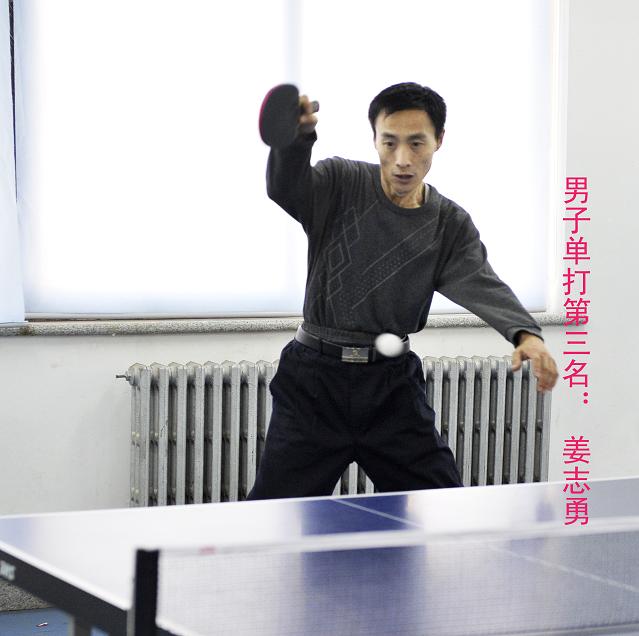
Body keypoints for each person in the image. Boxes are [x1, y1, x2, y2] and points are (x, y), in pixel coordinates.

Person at [247, 82, 558, 500]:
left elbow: (480, 279)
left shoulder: (448, 224)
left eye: (416, 143)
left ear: (439, 140)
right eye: (389, 142)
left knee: (440, 505)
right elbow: (285, 187)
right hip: (313, 385)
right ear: (374, 138)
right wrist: (296, 139)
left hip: (390, 389)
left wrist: (527, 335)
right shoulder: (340, 182)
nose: (402, 160)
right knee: (274, 516)